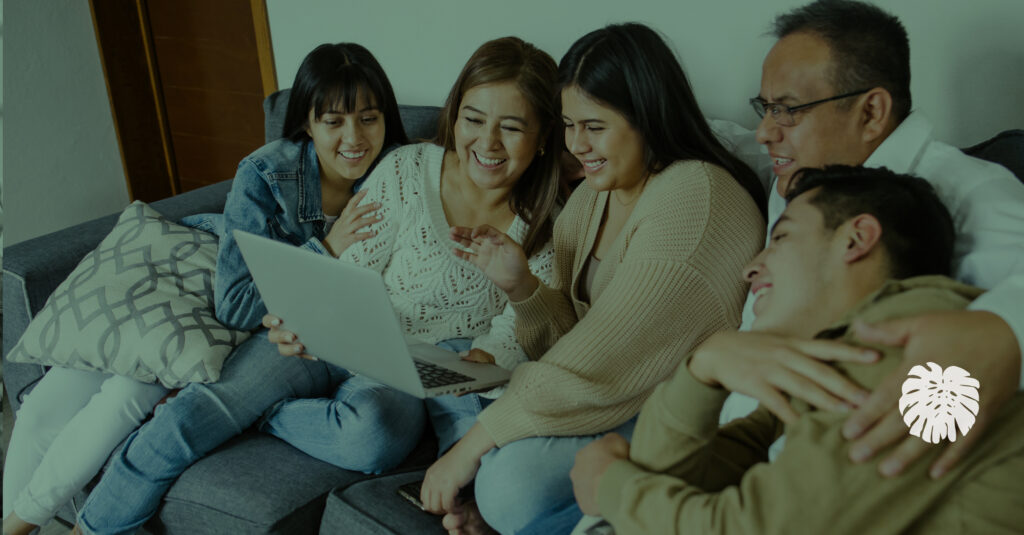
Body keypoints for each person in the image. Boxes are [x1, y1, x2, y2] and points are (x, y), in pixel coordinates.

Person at [420, 23, 767, 534]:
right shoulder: (591, 199)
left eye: (594, 126)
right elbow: (567, 344)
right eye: (568, 125)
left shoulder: (695, 198)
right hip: (610, 391)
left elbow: (603, 357)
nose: (577, 145)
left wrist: (471, 447)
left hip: (667, 408)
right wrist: (523, 288)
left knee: (508, 484)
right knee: (462, 389)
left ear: (647, 116)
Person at [69, 42, 413, 534]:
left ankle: (265, 414)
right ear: (307, 122)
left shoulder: (409, 172)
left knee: (372, 438)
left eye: (369, 119)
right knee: (184, 420)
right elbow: (235, 305)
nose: (354, 138)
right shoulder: (266, 175)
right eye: (333, 121)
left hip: (377, 346)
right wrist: (325, 249)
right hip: (294, 339)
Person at [570, 165, 1024, 534]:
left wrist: (610, 486)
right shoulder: (828, 362)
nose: (750, 269)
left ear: (856, 239)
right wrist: (702, 369)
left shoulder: (917, 356)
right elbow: (670, 476)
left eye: (781, 238)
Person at [715, 0, 1024, 480]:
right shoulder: (796, 175)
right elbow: (722, 138)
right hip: (730, 446)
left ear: (872, 112)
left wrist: (1001, 332)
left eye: (786, 110)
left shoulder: (975, 195)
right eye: (764, 108)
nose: (764, 132)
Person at [260, 35, 561, 469]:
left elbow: (521, 320)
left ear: (544, 136)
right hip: (380, 356)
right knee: (371, 434)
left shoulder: (549, 223)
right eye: (473, 120)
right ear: (455, 117)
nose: (488, 142)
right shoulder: (407, 169)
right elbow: (352, 275)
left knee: (483, 453)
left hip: (458, 368)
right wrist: (311, 321)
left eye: (511, 128)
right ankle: (269, 416)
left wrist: (491, 356)